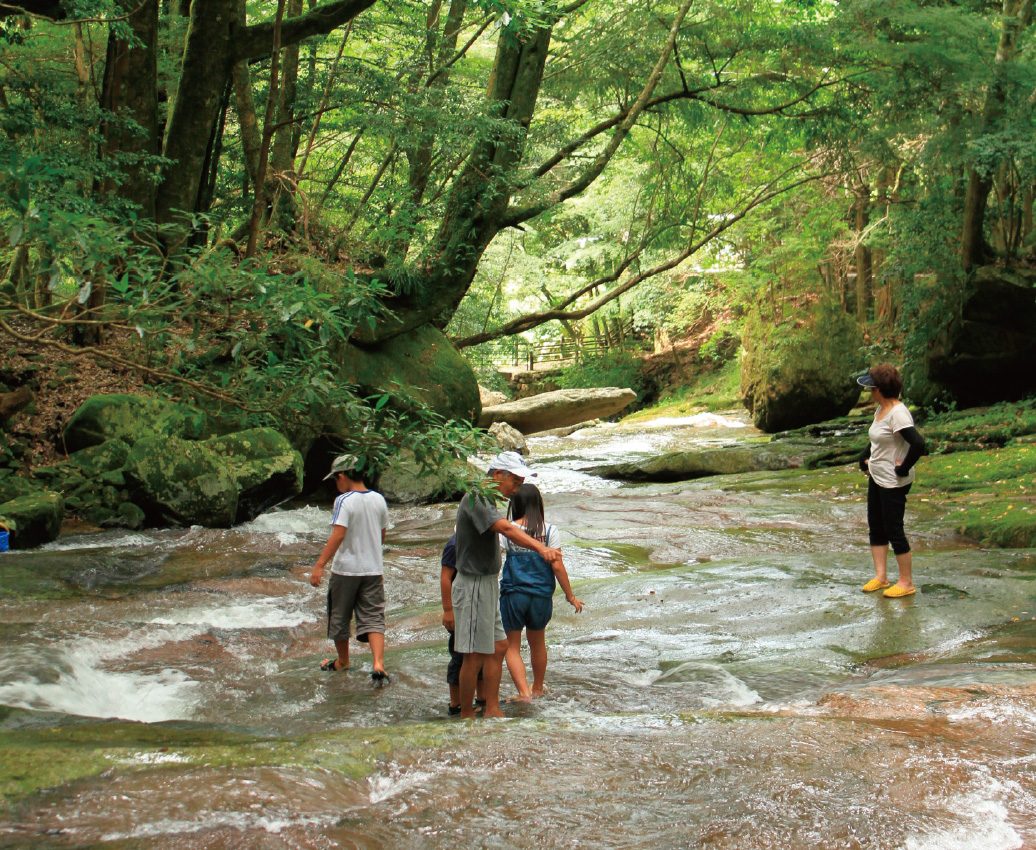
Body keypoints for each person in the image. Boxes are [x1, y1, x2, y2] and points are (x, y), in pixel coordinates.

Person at [452, 451, 563, 719]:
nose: (516, 490)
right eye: (515, 481)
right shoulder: (477, 497)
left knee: (500, 646)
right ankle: (467, 715)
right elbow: (507, 529)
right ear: (498, 475)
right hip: (473, 583)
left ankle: (492, 709)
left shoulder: (488, 498)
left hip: (489, 582)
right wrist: (540, 547)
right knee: (474, 654)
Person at [309, 454, 391, 683]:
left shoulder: (344, 501)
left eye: (336, 480)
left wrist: (319, 565)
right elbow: (382, 534)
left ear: (342, 477)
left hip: (345, 570)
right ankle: (378, 663)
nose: (337, 485)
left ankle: (343, 661)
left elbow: (339, 534)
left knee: (339, 616)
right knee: (374, 616)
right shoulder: (378, 500)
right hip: (373, 570)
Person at [501, 483, 583, 699]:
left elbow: (494, 556)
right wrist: (570, 596)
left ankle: (522, 693)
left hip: (514, 594)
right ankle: (536, 689)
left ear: (515, 504)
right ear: (538, 504)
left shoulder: (508, 529)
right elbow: (557, 566)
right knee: (538, 643)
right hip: (541, 597)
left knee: (512, 646)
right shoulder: (549, 531)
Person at [857, 364, 926, 598]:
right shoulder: (881, 409)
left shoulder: (898, 412)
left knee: (894, 529)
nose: (868, 392)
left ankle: (906, 583)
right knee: (876, 525)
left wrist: (903, 468)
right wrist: (865, 456)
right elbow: (879, 437)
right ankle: (881, 577)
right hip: (877, 477)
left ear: (879, 389)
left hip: (893, 482)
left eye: (871, 388)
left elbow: (918, 444)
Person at [440, 533, 485, 715]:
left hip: (477, 604)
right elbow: (445, 578)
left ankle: (482, 698)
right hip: (459, 608)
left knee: (480, 652)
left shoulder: (478, 540)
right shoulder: (454, 545)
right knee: (460, 655)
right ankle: (455, 702)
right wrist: (448, 610)